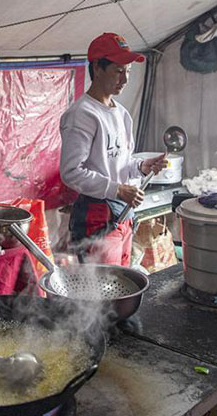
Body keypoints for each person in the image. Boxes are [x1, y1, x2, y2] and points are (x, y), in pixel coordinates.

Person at [60, 33, 167, 266]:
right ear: (98, 68)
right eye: (119, 71)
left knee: (121, 286)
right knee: (100, 294)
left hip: (124, 215)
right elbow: (71, 172)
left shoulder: (121, 114)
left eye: (128, 72)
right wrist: (117, 190)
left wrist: (140, 167)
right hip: (97, 217)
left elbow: (120, 163)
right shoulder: (82, 114)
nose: (125, 79)